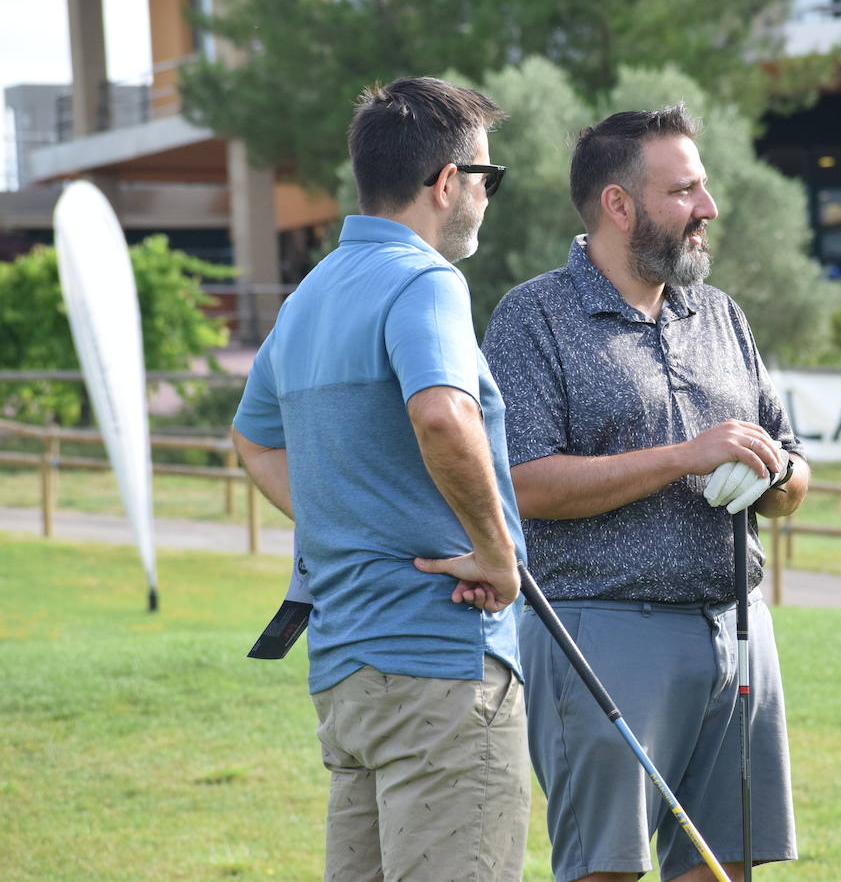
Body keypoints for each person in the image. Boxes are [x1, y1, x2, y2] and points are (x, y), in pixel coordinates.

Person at [479, 105, 809, 882]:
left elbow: (793, 465)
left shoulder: (721, 313)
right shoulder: (533, 317)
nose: (708, 208)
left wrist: (775, 479)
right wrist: (684, 457)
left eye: (704, 187)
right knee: (607, 869)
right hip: (602, 631)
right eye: (685, 190)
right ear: (618, 205)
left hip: (738, 630)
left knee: (724, 866)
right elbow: (523, 482)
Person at [230, 77, 530, 881]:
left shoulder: (308, 297)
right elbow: (441, 415)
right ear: (446, 182)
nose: (483, 197)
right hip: (440, 662)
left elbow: (253, 442)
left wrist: (349, 522)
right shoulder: (426, 279)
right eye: (485, 179)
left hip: (347, 674)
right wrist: (498, 556)